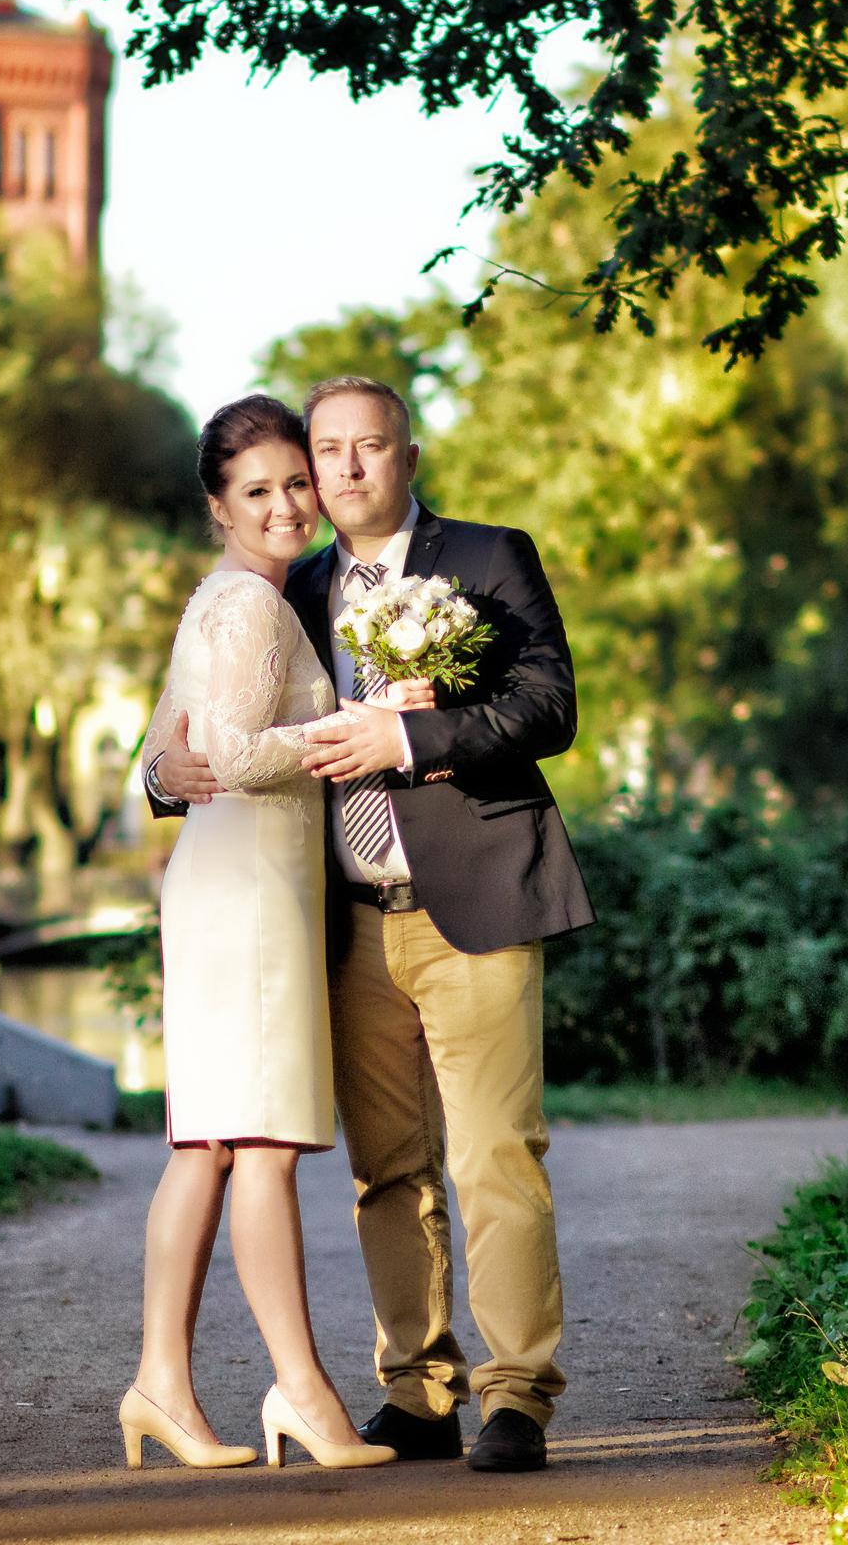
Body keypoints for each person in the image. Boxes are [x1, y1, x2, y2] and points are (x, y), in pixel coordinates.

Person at [145, 375, 595, 1475]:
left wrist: (411, 740)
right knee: (387, 1169)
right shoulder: (286, 588)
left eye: (366, 448)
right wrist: (163, 773)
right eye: (327, 451)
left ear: (406, 454)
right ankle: (419, 1388)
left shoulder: (488, 559)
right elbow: (208, 720)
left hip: (476, 897)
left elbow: (550, 705)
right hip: (341, 921)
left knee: (496, 1155)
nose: (343, 471)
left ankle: (516, 1394)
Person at [119, 395, 407, 1473]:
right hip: (245, 896)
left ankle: (161, 1381)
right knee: (267, 1145)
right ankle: (303, 1393)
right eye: (259, 491)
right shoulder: (249, 606)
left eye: (299, 481)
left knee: (208, 1142)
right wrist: (353, 731)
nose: (289, 504)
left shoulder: (222, 598)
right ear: (218, 507)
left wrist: (165, 770)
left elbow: (169, 750)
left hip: (228, 882)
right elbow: (231, 754)